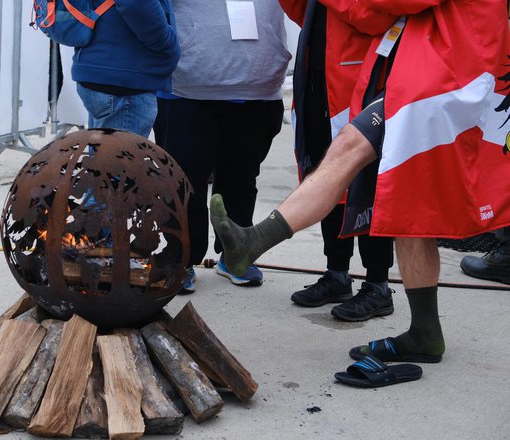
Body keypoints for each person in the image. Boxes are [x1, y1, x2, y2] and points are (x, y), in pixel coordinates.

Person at [211, 0, 510, 364]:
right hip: (440, 76)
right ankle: (425, 333)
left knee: (350, 148)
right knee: (410, 206)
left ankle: (253, 242)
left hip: (446, 81)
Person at [153, 0, 292, 293]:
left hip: (257, 88)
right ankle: (180, 258)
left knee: (241, 178)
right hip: (185, 89)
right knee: (182, 182)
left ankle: (235, 254)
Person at [282, 1, 396, 321]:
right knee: (324, 176)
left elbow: (375, 15)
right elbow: (301, 12)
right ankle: (337, 274)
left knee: (366, 183)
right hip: (317, 80)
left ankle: (378, 284)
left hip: (360, 84)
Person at [70, 0, 181, 138]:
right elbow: (135, 4)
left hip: (105, 70)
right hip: (124, 80)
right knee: (119, 158)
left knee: (103, 156)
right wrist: (168, 44)